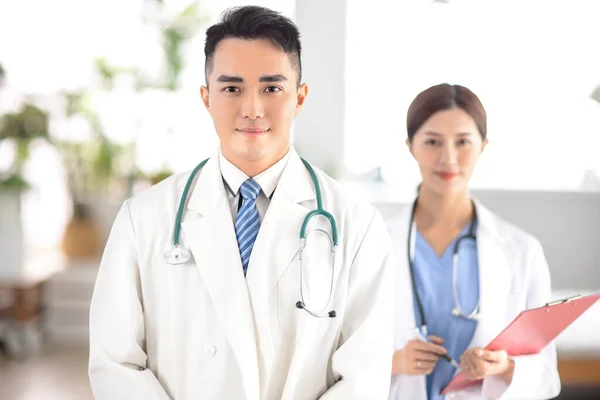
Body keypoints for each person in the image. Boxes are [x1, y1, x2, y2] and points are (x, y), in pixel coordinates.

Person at [88, 5, 394, 400]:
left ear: (299, 97)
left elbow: (363, 378)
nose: (252, 108)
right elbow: (116, 363)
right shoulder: (143, 218)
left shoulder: (356, 224)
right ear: (206, 97)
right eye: (232, 88)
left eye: (272, 88)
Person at [387, 83, 560, 399]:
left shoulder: (522, 250)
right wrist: (394, 362)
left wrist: (503, 368)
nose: (448, 158)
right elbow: (336, 353)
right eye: (432, 142)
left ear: (483, 145)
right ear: (410, 146)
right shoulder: (373, 244)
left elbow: (547, 377)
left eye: (463, 142)